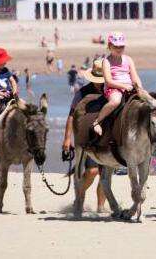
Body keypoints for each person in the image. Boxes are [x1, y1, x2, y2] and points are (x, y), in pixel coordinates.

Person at [62, 61, 107, 213]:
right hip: (89, 138)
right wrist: (67, 139)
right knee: (92, 171)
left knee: (105, 173)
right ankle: (80, 196)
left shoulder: (110, 90)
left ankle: (101, 207)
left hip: (107, 136)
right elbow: (71, 116)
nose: (99, 84)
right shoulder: (82, 93)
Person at [92, 32, 143, 137]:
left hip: (129, 87)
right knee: (116, 101)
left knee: (145, 103)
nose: (119, 49)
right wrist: (123, 86)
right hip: (113, 88)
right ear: (109, 46)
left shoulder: (128, 59)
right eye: (116, 46)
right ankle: (97, 121)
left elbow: (135, 77)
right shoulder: (106, 61)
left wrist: (141, 89)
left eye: (121, 46)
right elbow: (108, 81)